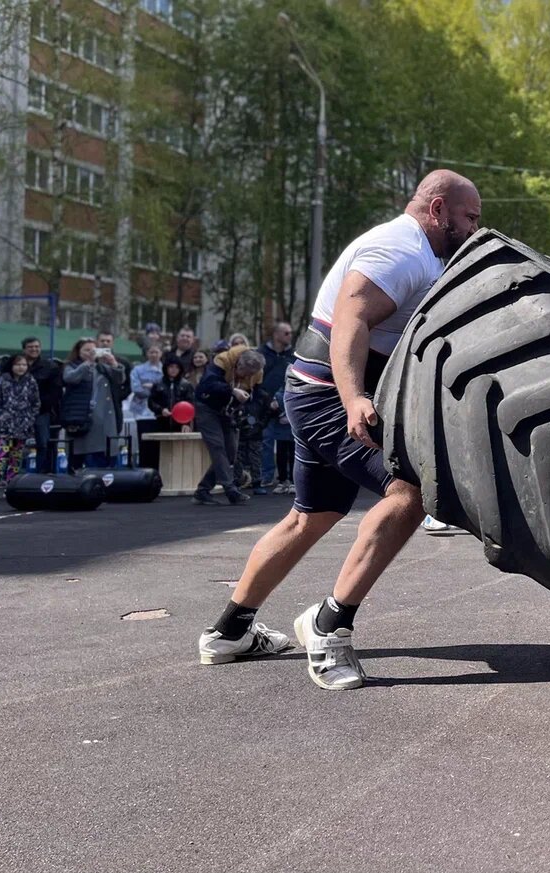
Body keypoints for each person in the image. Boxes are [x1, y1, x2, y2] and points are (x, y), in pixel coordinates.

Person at [196, 169, 482, 690]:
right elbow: (350, 321)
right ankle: (330, 628)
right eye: (470, 217)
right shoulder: (402, 250)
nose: (474, 227)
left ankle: (230, 631)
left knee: (311, 517)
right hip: (329, 394)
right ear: (438, 210)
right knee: (412, 492)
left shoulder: (416, 252)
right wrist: (354, 400)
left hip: (313, 389)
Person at [191, 344, 265, 506]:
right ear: (237, 363)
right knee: (217, 446)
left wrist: (249, 406)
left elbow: (258, 395)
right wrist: (232, 391)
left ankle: (202, 490)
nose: (243, 376)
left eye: (248, 374)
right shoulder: (222, 360)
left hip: (230, 410)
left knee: (231, 451)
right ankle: (230, 489)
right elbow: (207, 386)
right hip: (207, 406)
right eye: (242, 371)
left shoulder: (257, 372)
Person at [60, 338, 124, 469]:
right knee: (79, 456)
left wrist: (114, 363)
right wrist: (88, 362)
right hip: (81, 418)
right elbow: (70, 378)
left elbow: (120, 379)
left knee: (101, 457)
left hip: (104, 419)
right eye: (87, 350)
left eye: (93, 350)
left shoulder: (102, 367)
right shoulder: (71, 365)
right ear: (78, 352)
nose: (91, 353)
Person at [0, 354, 41, 499]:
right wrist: (3, 417)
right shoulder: (2, 380)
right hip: (6, 427)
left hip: (23, 426)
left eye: (24, 364)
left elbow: (36, 402)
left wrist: (29, 418)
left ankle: (11, 487)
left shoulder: (30, 380)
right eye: (18, 364)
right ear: (11, 365)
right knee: (2, 456)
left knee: (16, 458)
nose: (21, 367)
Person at [10, 337, 61, 473]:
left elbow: (55, 392)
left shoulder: (50, 366)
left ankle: (41, 475)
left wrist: (37, 406)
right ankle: (13, 475)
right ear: (24, 349)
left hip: (41, 412)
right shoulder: (15, 365)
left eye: (37, 346)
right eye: (30, 347)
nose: (34, 349)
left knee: (43, 444)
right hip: (17, 413)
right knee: (15, 445)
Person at [260, 322, 295, 488]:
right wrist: (267, 400)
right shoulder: (262, 354)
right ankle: (266, 476)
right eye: (286, 333)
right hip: (265, 404)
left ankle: (288, 478)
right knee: (266, 440)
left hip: (287, 403)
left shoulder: (294, 355)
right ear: (276, 335)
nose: (290, 336)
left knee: (287, 443)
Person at [130, 344, 165, 467]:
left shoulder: (165, 370)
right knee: (144, 445)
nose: (154, 355)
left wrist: (151, 386)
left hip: (160, 412)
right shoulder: (138, 370)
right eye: (151, 352)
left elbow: (164, 390)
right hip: (142, 412)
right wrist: (154, 391)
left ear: (161, 353)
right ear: (147, 354)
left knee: (158, 446)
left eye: (156, 352)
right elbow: (136, 388)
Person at [148, 355, 196, 434]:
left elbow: (191, 404)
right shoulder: (158, 384)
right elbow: (151, 402)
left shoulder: (186, 385)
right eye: (171, 367)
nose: (174, 370)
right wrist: (161, 409)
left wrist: (186, 423)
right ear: (166, 368)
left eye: (177, 367)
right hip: (161, 421)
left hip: (181, 423)